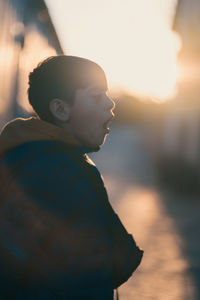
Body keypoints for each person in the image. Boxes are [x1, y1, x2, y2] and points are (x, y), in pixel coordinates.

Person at [0, 55, 143, 299]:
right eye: (97, 95)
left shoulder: (40, 159)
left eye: (108, 95)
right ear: (61, 109)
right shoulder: (54, 172)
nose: (111, 104)